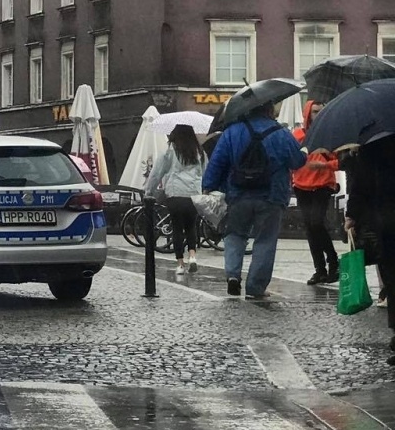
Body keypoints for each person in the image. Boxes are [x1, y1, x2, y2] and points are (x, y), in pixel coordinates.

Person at [202, 100, 306, 300]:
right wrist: (303, 151)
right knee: (265, 240)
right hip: (272, 196)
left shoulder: (232, 132)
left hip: (238, 194)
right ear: (269, 109)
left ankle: (233, 275)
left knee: (235, 234)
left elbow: (218, 161)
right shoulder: (281, 132)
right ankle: (255, 287)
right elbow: (297, 161)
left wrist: (209, 185)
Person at [340, 137, 395, 363]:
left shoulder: (374, 145)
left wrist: (352, 216)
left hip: (387, 222)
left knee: (392, 278)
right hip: (386, 222)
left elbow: (360, 186)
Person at [291, 100, 341, 286]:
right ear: (307, 114)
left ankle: (333, 260)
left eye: (320, 111)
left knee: (316, 222)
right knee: (310, 228)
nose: (318, 115)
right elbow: (291, 158)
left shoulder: (330, 135)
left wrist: (324, 165)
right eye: (314, 112)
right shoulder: (298, 135)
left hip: (323, 185)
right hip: (301, 185)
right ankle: (320, 269)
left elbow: (341, 161)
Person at [146, 124, 205, 276]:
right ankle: (192, 256)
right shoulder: (199, 151)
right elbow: (205, 172)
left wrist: (149, 191)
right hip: (193, 194)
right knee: (191, 226)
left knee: (177, 228)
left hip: (175, 193)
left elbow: (157, 172)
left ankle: (180, 265)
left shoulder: (170, 150)